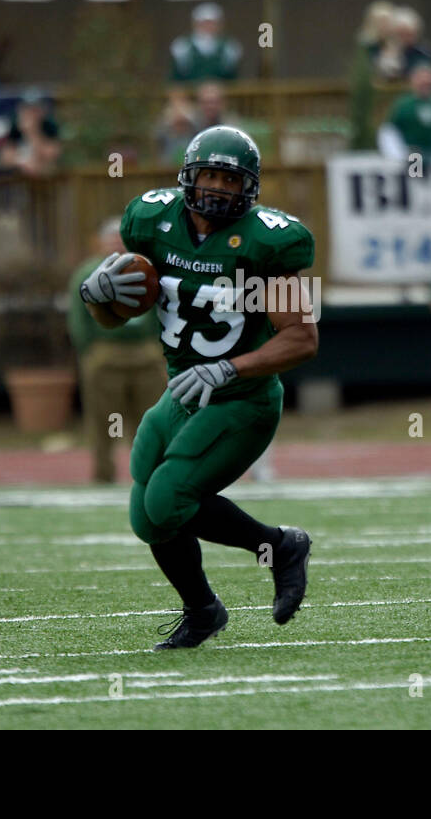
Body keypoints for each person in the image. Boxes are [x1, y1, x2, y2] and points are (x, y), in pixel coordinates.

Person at [77, 125, 318, 649]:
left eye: (230, 180)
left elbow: (301, 338)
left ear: (248, 189)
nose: (217, 189)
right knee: (147, 516)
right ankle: (203, 610)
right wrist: (95, 295)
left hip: (242, 399)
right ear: (188, 175)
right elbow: (110, 321)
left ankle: (280, 547)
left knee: (168, 498)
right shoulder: (154, 222)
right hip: (183, 392)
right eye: (209, 175)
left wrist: (230, 368)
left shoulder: (267, 241)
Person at [67, 218, 168, 483]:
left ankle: (152, 476)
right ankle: (103, 475)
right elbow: (78, 318)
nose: (116, 244)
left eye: (120, 239)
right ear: (100, 243)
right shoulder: (87, 271)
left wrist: (159, 346)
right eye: (110, 239)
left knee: (151, 422)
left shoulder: (147, 269)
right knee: (102, 424)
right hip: (106, 354)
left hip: (145, 354)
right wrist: (90, 351)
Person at [378, 63, 431, 161]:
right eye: (422, 82)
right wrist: (399, 154)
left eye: (429, 83)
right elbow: (389, 131)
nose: (426, 85)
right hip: (409, 155)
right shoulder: (404, 104)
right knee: (415, 173)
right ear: (413, 81)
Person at [170, 3, 242, 83]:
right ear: (195, 23)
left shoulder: (230, 46)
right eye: (204, 23)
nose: (208, 26)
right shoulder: (182, 46)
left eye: (212, 23)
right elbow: (176, 78)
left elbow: (233, 77)